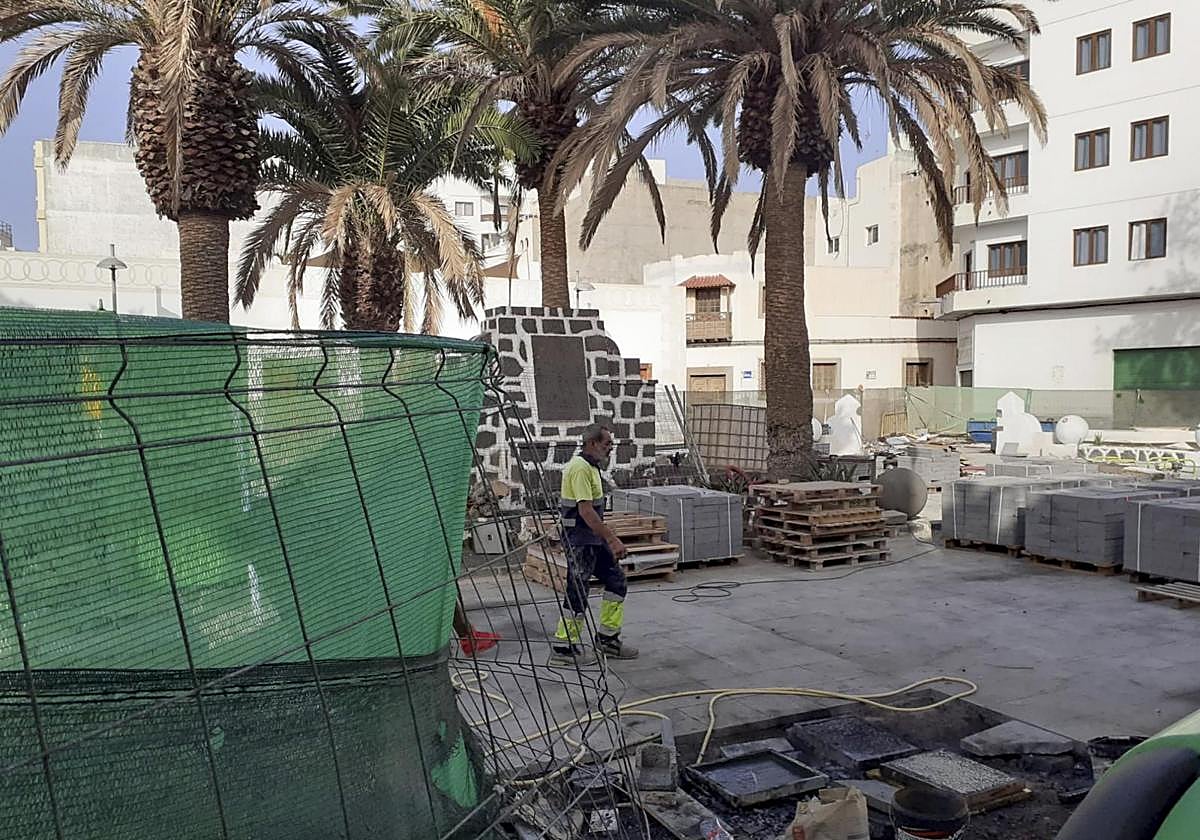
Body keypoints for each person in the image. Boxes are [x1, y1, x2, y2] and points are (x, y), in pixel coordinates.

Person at [551, 424, 639, 664]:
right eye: (606, 444)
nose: (610, 448)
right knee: (577, 590)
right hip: (580, 540)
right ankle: (564, 647)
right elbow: (587, 512)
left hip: (593, 540)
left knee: (616, 581)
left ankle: (607, 640)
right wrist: (612, 538)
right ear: (592, 444)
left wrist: (605, 537)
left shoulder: (591, 468)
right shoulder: (580, 469)